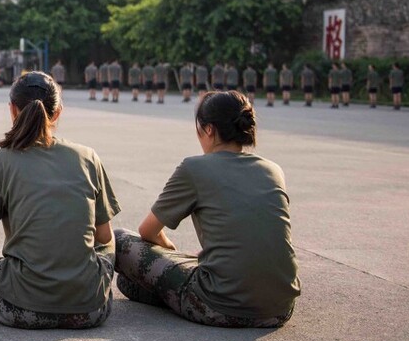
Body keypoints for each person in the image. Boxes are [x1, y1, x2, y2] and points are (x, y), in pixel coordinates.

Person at [0, 72, 119, 329]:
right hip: (91, 308)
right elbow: (104, 236)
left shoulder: (0, 161)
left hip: (20, 307)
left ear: (12, 110)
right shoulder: (88, 157)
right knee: (118, 238)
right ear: (58, 112)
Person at [114, 90, 300, 327]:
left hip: (220, 306)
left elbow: (147, 231)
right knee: (131, 283)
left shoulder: (195, 168)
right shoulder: (273, 170)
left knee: (121, 242)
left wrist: (170, 251)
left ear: (209, 130)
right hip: (280, 309)